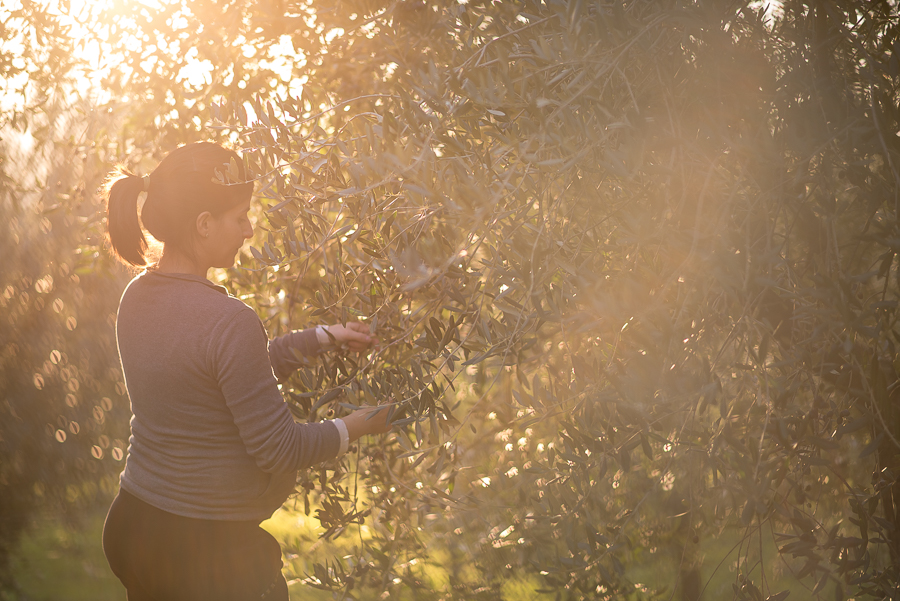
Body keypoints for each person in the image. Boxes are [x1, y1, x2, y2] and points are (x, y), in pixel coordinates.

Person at [100, 141, 391, 601]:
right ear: (203, 224)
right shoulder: (229, 320)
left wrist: (323, 336)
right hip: (206, 555)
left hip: (136, 526)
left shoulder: (136, 296)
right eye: (240, 218)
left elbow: (218, 378)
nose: (250, 230)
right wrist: (359, 426)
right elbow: (280, 448)